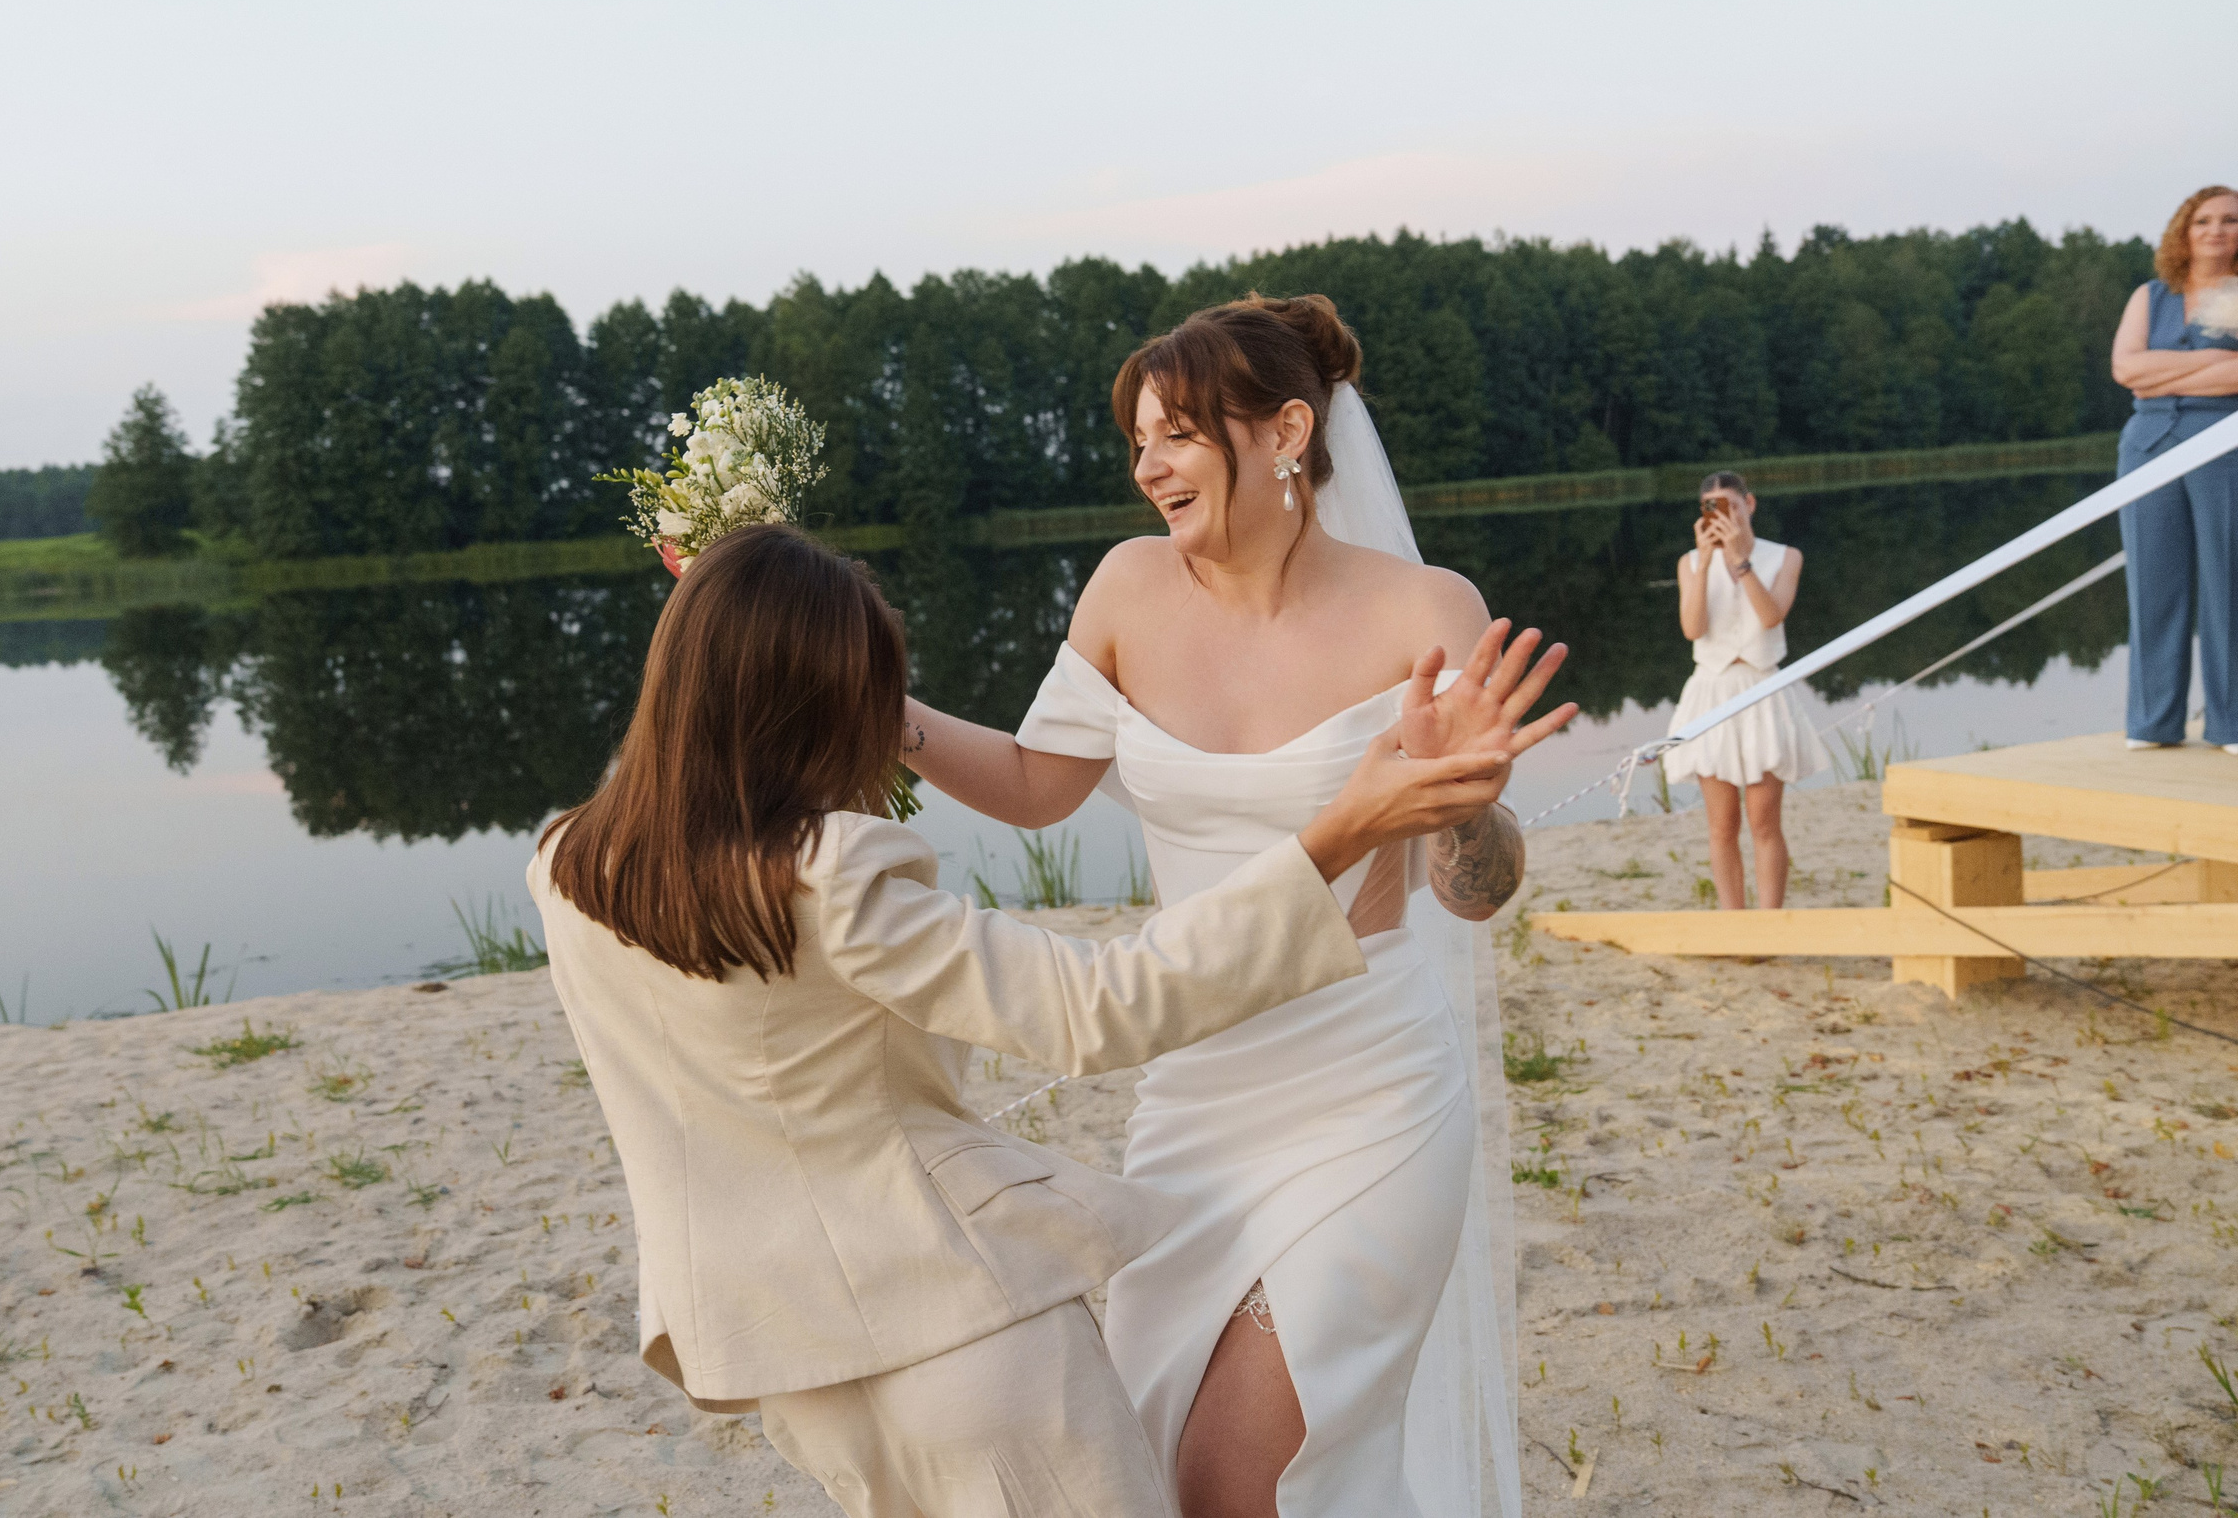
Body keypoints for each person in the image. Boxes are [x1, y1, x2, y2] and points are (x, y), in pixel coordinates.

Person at [527, 522, 1551, 1518]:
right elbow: (1095, 1006)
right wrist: (1337, 836)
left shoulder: (567, 869)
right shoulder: (831, 878)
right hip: (961, 1342)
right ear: (812, 708)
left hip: (789, 1361)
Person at [901, 295, 1576, 1518]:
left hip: (1367, 1086)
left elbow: (1474, 893)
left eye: (1176, 434)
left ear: (1285, 434)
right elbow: (1036, 785)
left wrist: (1462, 806)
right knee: (1160, 1463)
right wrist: (871, 712)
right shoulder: (1126, 589)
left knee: (1237, 1478)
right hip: (1196, 1092)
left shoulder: (1423, 610)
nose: (1147, 467)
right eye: (1138, 441)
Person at [2110, 184, 2238, 753]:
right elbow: (2125, 370)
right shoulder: (2151, 295)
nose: (2217, 230)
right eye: (2203, 220)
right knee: (2152, 581)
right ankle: (2152, 722)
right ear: (2184, 231)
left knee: (2228, 581)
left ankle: (2232, 723)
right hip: (2147, 445)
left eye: (2230, 220)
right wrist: (2212, 359)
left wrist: (2162, 374)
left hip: (2225, 442)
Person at [1663, 471, 1825, 909]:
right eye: (1713, 507)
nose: (1724, 515)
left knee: (1765, 822)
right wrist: (1704, 562)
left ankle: (1769, 922)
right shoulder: (1689, 562)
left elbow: (1771, 617)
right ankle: (1733, 921)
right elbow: (1692, 628)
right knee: (1721, 826)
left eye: (1731, 505)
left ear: (1749, 505)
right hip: (1710, 692)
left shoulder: (1785, 557)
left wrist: (1739, 560)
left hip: (1762, 690)